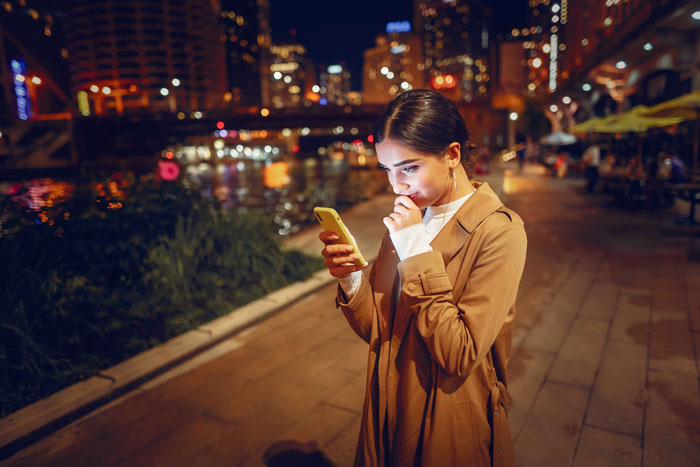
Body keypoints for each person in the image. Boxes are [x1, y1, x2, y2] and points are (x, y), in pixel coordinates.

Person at [318, 90, 527, 466]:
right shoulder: (410, 217)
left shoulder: (500, 232)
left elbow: (458, 352)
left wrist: (414, 247)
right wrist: (352, 278)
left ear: (452, 155)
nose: (397, 186)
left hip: (446, 420)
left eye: (409, 168)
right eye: (388, 170)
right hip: (386, 405)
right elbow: (379, 331)